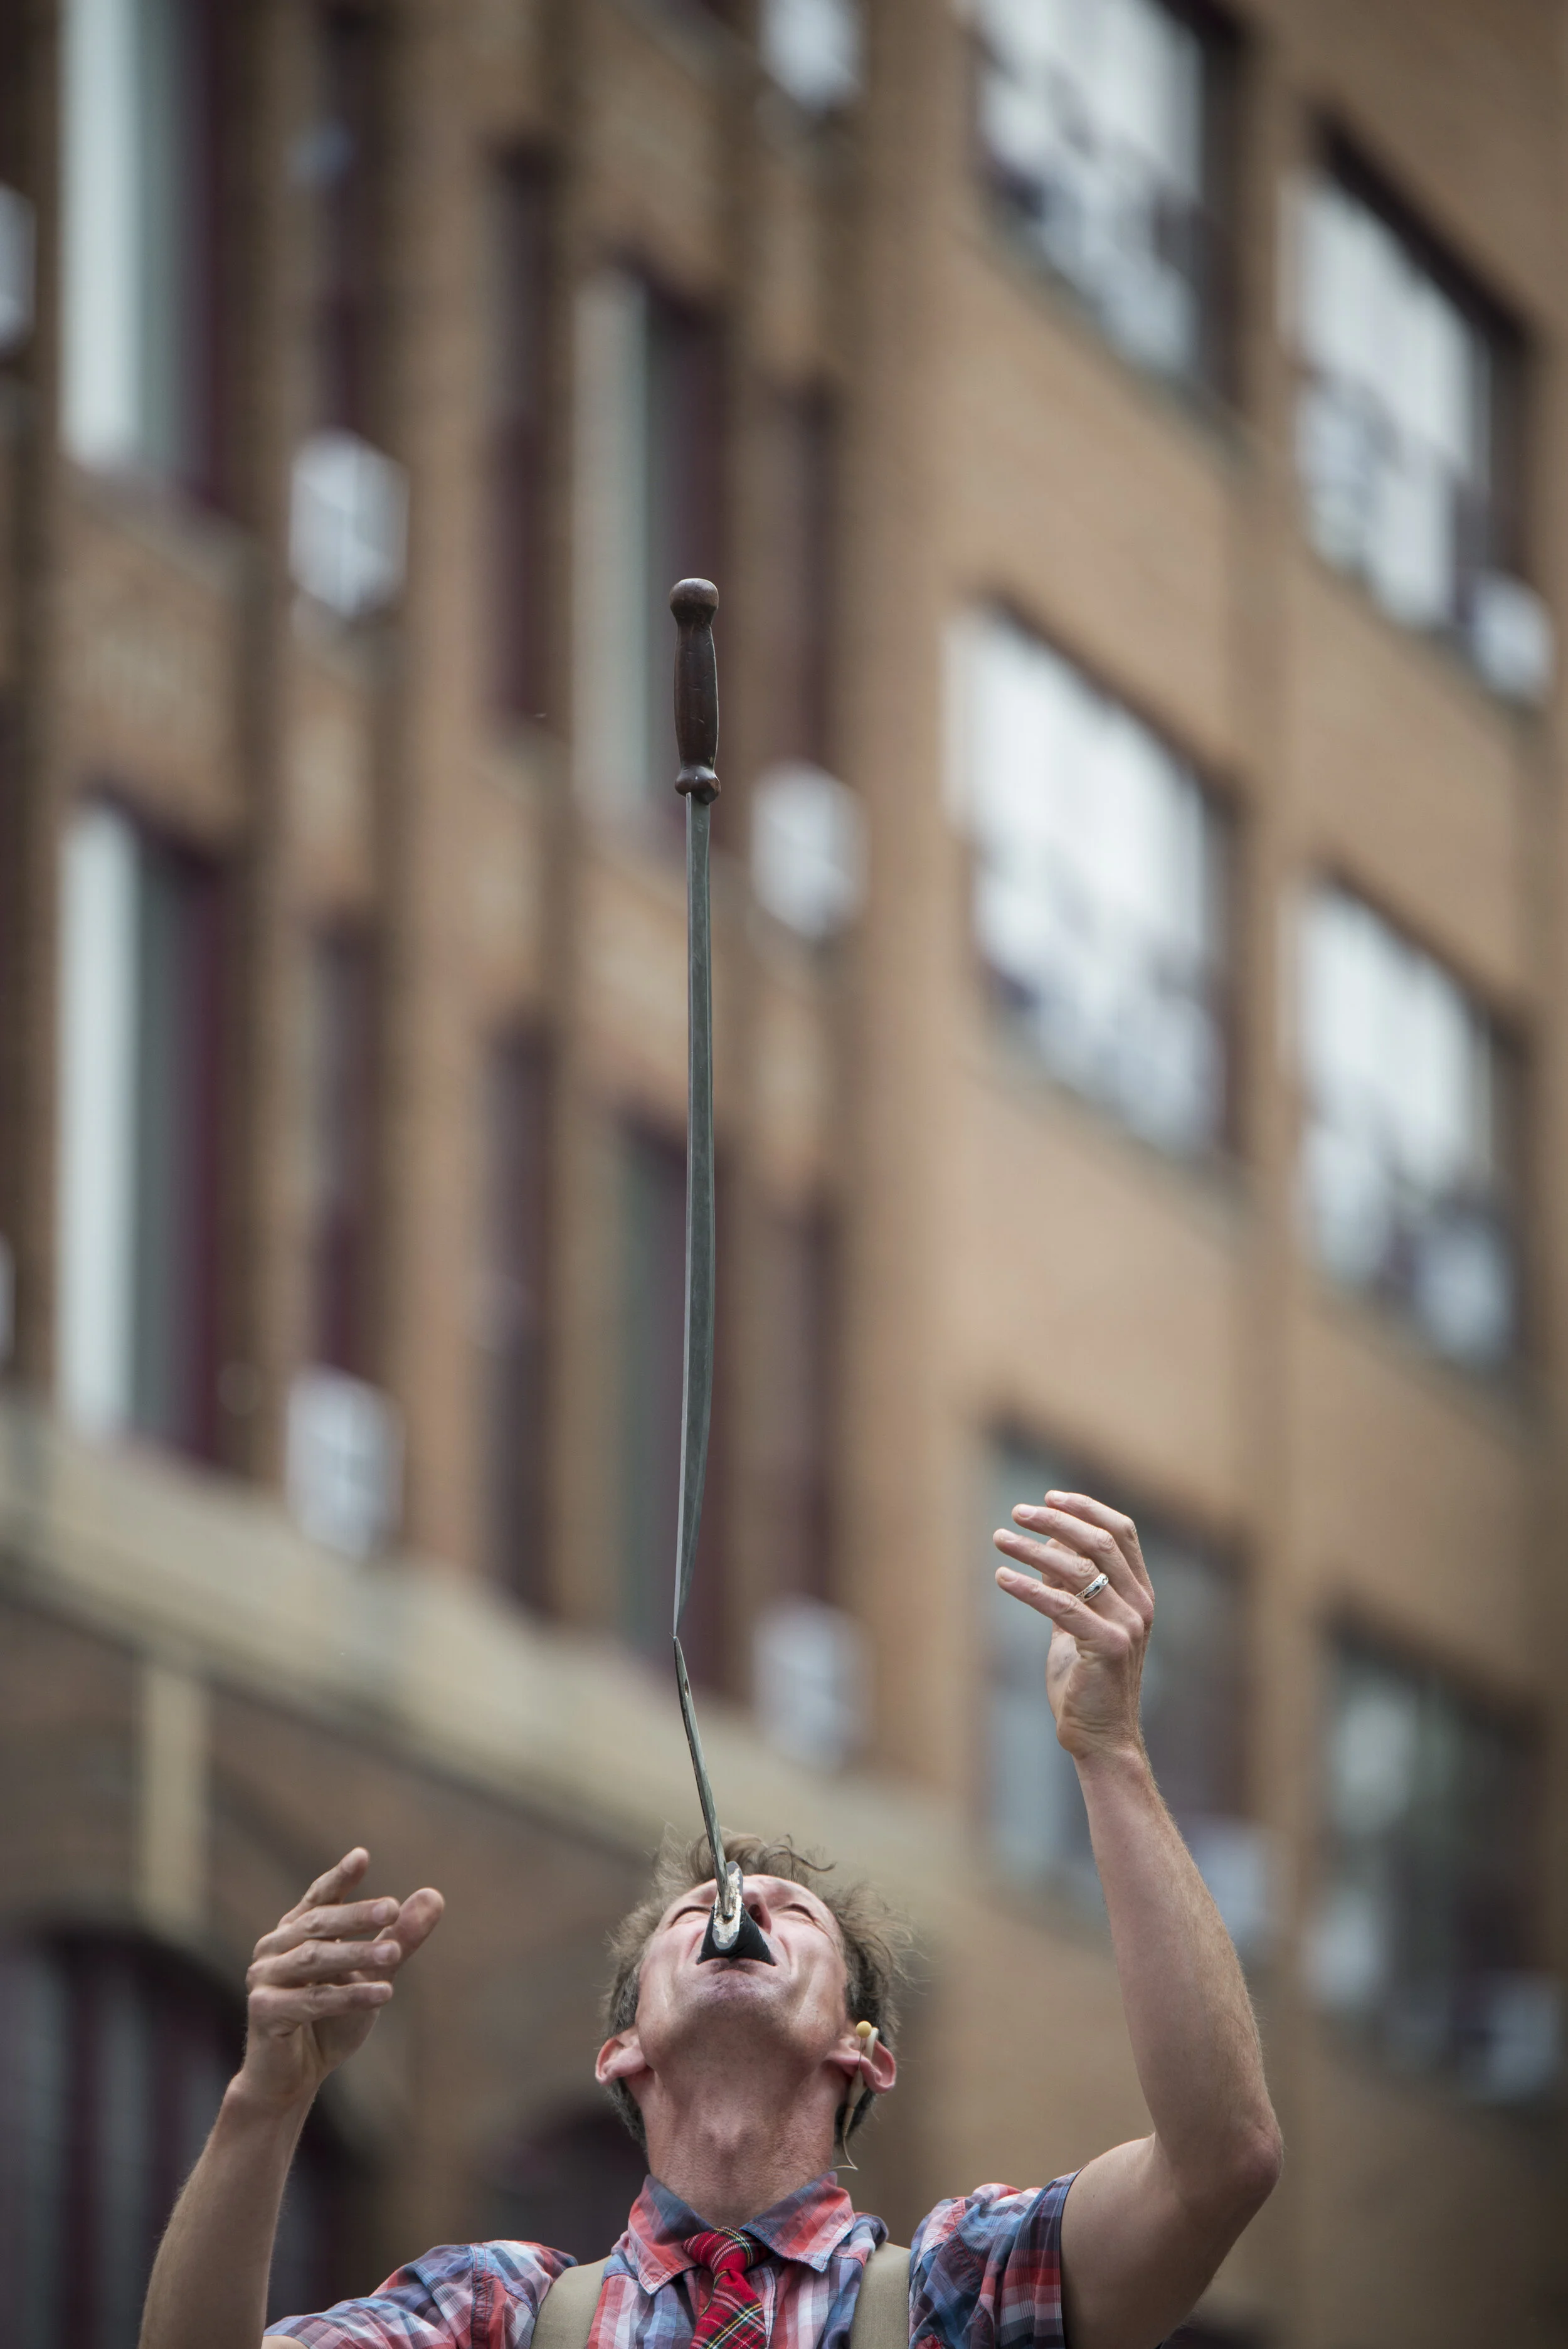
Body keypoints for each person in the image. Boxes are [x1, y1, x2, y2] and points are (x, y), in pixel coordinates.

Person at [139, 1492, 1281, 2349]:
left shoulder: (956, 2295)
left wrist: (1113, 1753)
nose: (745, 1904)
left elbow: (1221, 2164)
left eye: (800, 1916)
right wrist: (265, 2100)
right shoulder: (499, 2314)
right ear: (620, 2050)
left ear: (865, 2054)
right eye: (696, 1914)